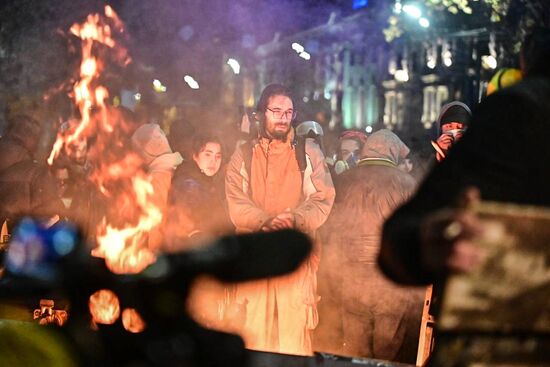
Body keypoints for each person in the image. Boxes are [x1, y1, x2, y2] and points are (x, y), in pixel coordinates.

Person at [379, 27, 550, 285]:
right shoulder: (520, 114)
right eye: (449, 129)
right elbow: (418, 222)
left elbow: (403, 240)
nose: (454, 134)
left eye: (460, 129)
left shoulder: (520, 110)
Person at [225, 83, 335, 356]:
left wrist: (295, 220)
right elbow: (236, 203)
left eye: (288, 112)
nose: (283, 117)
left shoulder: (308, 153)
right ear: (262, 113)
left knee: (293, 344)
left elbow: (322, 199)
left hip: (295, 262)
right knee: (253, 340)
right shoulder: (244, 155)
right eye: (276, 111)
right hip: (255, 261)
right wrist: (264, 221)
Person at [319, 130, 423, 362]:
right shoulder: (406, 183)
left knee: (355, 350)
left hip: (350, 280)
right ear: (392, 152)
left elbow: (329, 228)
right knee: (388, 351)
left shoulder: (344, 180)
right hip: (390, 282)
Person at [131, 123, 183, 252]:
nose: (162, 138)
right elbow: (157, 220)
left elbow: (156, 219)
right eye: (158, 135)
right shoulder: (172, 169)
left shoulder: (159, 175)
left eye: (161, 133)